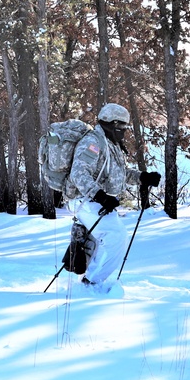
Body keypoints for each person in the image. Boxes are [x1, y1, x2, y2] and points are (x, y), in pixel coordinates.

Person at [64, 102, 161, 288]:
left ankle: (89, 281)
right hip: (85, 200)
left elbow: (119, 174)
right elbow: (79, 173)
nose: (124, 131)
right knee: (116, 236)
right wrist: (100, 196)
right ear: (111, 123)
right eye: (121, 127)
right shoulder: (93, 142)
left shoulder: (111, 144)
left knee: (105, 241)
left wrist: (143, 177)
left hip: (99, 201)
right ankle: (91, 284)